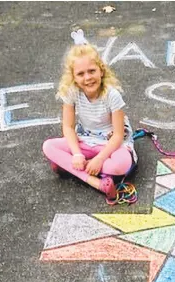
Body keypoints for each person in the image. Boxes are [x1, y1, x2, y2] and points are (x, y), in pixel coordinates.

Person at [42, 29, 137, 202]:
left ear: (101, 71)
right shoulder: (71, 92)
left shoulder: (112, 95)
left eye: (92, 71)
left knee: (122, 163)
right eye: (80, 74)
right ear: (73, 77)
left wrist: (99, 159)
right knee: (49, 146)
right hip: (86, 139)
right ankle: (97, 182)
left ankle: (70, 166)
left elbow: (117, 135)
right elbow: (68, 127)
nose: (87, 78)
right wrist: (77, 154)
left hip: (111, 144)